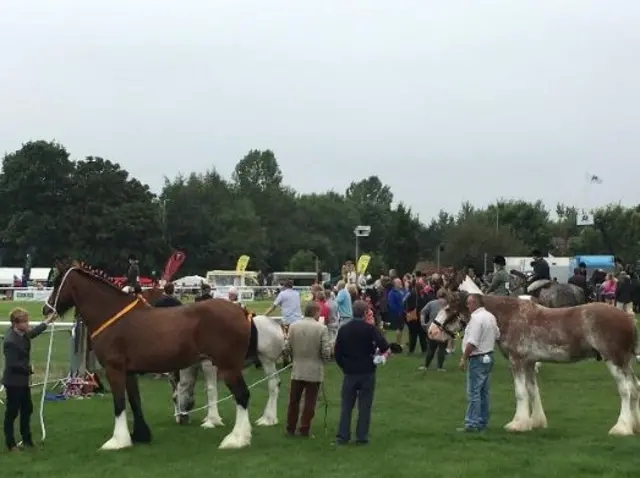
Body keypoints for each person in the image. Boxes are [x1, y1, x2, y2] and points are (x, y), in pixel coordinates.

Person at [334, 300, 390, 445]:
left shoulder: (343, 329)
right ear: (365, 313)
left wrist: (344, 366)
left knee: (346, 406)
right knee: (364, 405)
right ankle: (361, 436)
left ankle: (343, 435)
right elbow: (384, 346)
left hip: (350, 371)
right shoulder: (370, 329)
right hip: (367, 371)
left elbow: (337, 353)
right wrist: (377, 356)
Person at [3, 308, 57, 451]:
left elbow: (34, 332)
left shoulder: (23, 334)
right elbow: (12, 364)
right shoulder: (10, 341)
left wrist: (48, 321)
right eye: (24, 322)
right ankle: (11, 444)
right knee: (12, 413)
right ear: (16, 323)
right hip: (14, 382)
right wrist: (30, 369)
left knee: (27, 409)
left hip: (23, 381)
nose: (28, 324)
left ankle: (27, 440)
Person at [284, 301, 332, 437]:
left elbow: (286, 348)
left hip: (297, 369)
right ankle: (304, 428)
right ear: (315, 312)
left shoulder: (293, 326)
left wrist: (292, 357)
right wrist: (326, 359)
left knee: (294, 401)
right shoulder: (321, 328)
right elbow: (326, 352)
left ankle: (290, 428)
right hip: (314, 370)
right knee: (310, 401)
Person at [458, 294, 500, 432]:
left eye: (469, 303)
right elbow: (498, 334)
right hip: (489, 355)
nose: (467, 306)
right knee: (484, 392)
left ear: (475, 303)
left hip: (477, 357)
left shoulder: (476, 319)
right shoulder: (490, 316)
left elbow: (472, 342)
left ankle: (471, 423)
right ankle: (482, 421)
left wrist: (464, 357)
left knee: (474, 391)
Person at [418, 289, 448, 371]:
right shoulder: (448, 305)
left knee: (431, 348)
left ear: (437, 295)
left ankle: (426, 366)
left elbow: (423, 312)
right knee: (442, 348)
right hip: (444, 329)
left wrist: (422, 322)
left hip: (432, 328)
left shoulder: (432, 303)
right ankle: (440, 367)